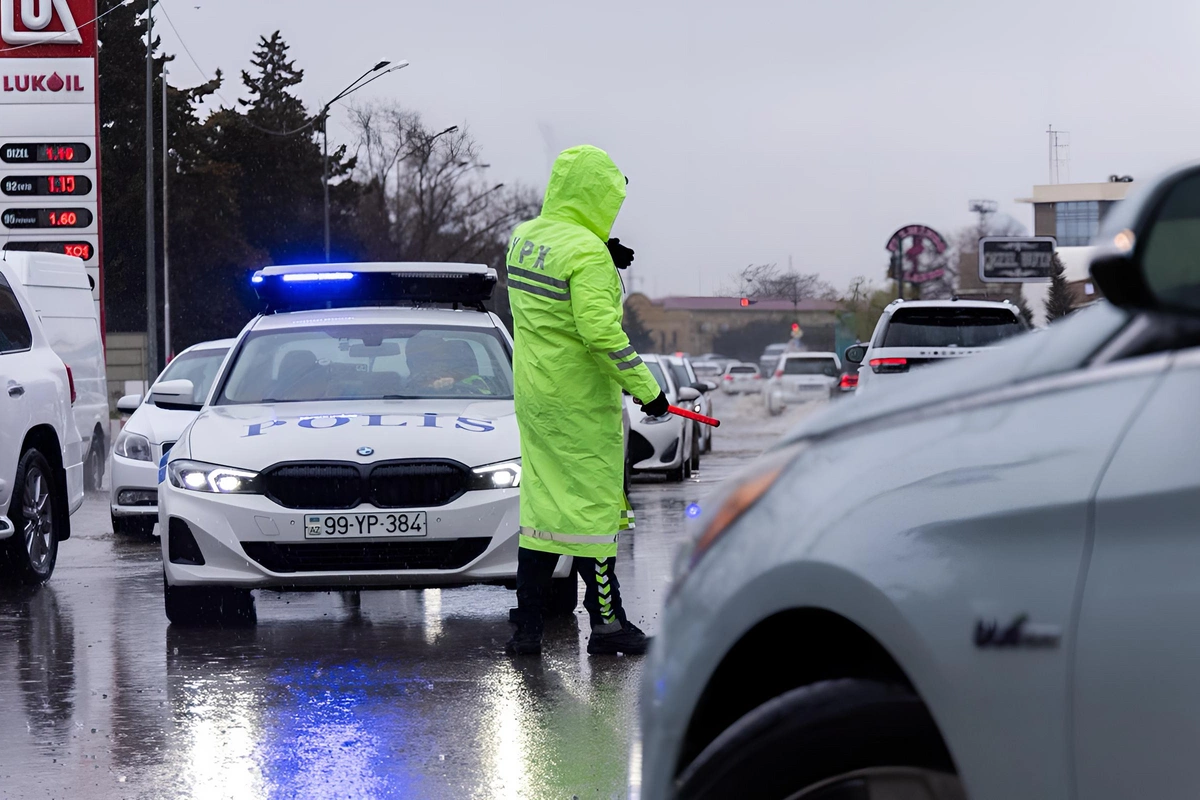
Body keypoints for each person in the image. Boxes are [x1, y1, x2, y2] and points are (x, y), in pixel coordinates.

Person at [504, 144, 669, 656]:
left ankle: (527, 627)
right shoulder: (587, 254)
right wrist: (650, 391)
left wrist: (600, 250)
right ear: (597, 196)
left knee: (541, 509)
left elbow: (553, 295)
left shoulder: (523, 238)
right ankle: (607, 623)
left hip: (534, 395)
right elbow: (600, 334)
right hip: (578, 403)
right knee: (595, 514)